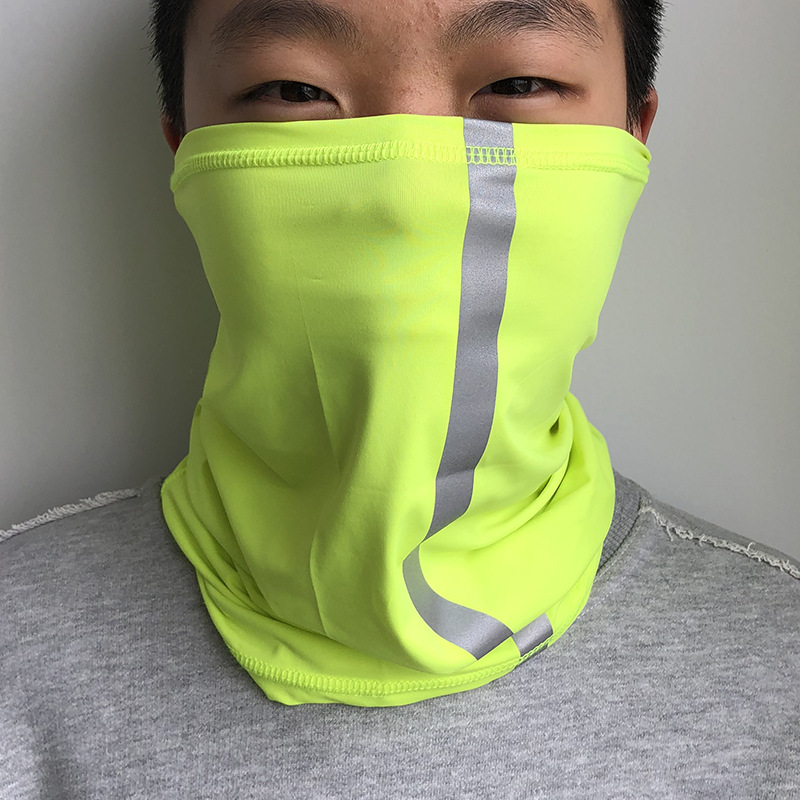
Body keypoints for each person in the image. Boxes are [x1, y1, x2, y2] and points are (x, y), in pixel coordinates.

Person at [2, 0, 798, 796]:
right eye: (294, 91)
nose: (407, 194)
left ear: (634, 131)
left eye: (519, 83)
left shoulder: (778, 665)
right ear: (182, 143)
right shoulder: (18, 646)